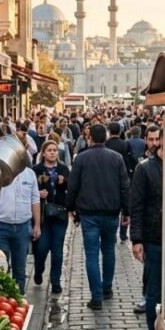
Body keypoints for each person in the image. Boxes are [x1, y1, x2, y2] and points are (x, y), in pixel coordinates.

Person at [67, 124, 130, 310]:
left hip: (89, 214)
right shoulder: (116, 158)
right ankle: (107, 288)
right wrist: (126, 212)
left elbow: (73, 185)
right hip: (111, 213)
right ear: (106, 137)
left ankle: (96, 297)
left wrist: (70, 206)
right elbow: (125, 186)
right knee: (108, 251)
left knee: (92, 255)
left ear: (90, 138)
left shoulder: (81, 159)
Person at [0, 154, 41, 294]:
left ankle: (19, 298)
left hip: (22, 227)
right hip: (1, 226)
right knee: (1, 267)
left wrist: (37, 225)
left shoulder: (30, 174)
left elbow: (35, 200)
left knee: (20, 268)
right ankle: (1, 299)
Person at [130, 139, 164, 330]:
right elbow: (137, 204)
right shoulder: (145, 169)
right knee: (154, 291)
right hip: (154, 237)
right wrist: (136, 239)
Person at [32, 140, 70, 295]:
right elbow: (31, 190)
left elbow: (71, 187)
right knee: (41, 249)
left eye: (55, 150)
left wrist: (64, 182)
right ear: (43, 153)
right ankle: (39, 270)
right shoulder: (37, 169)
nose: (53, 152)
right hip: (42, 216)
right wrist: (39, 194)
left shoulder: (63, 169)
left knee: (58, 251)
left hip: (60, 215)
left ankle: (56, 281)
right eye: (49, 150)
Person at [105, 122, 135, 242]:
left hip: (108, 178)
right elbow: (130, 159)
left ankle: (111, 232)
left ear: (109, 131)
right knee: (124, 204)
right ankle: (123, 232)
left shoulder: (105, 144)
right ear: (120, 131)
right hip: (124, 176)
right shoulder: (125, 144)